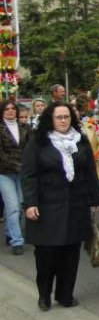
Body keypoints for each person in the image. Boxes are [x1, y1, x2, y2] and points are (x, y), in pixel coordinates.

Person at [21, 102, 99, 311]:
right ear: (51, 119)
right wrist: (29, 203)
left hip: (76, 204)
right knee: (47, 253)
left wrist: (95, 201)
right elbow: (29, 175)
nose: (63, 120)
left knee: (70, 252)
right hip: (47, 205)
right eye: (59, 117)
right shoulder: (38, 142)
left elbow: (90, 173)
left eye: (66, 117)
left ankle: (65, 295)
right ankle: (44, 294)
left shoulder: (80, 140)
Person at [1, 99, 31, 255]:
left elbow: (31, 148)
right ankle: (16, 241)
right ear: (2, 111)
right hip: (4, 173)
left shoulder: (25, 127)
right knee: (12, 205)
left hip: (23, 173)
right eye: (7, 109)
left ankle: (9, 232)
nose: (10, 111)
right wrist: (18, 165)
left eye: (13, 108)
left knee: (18, 205)